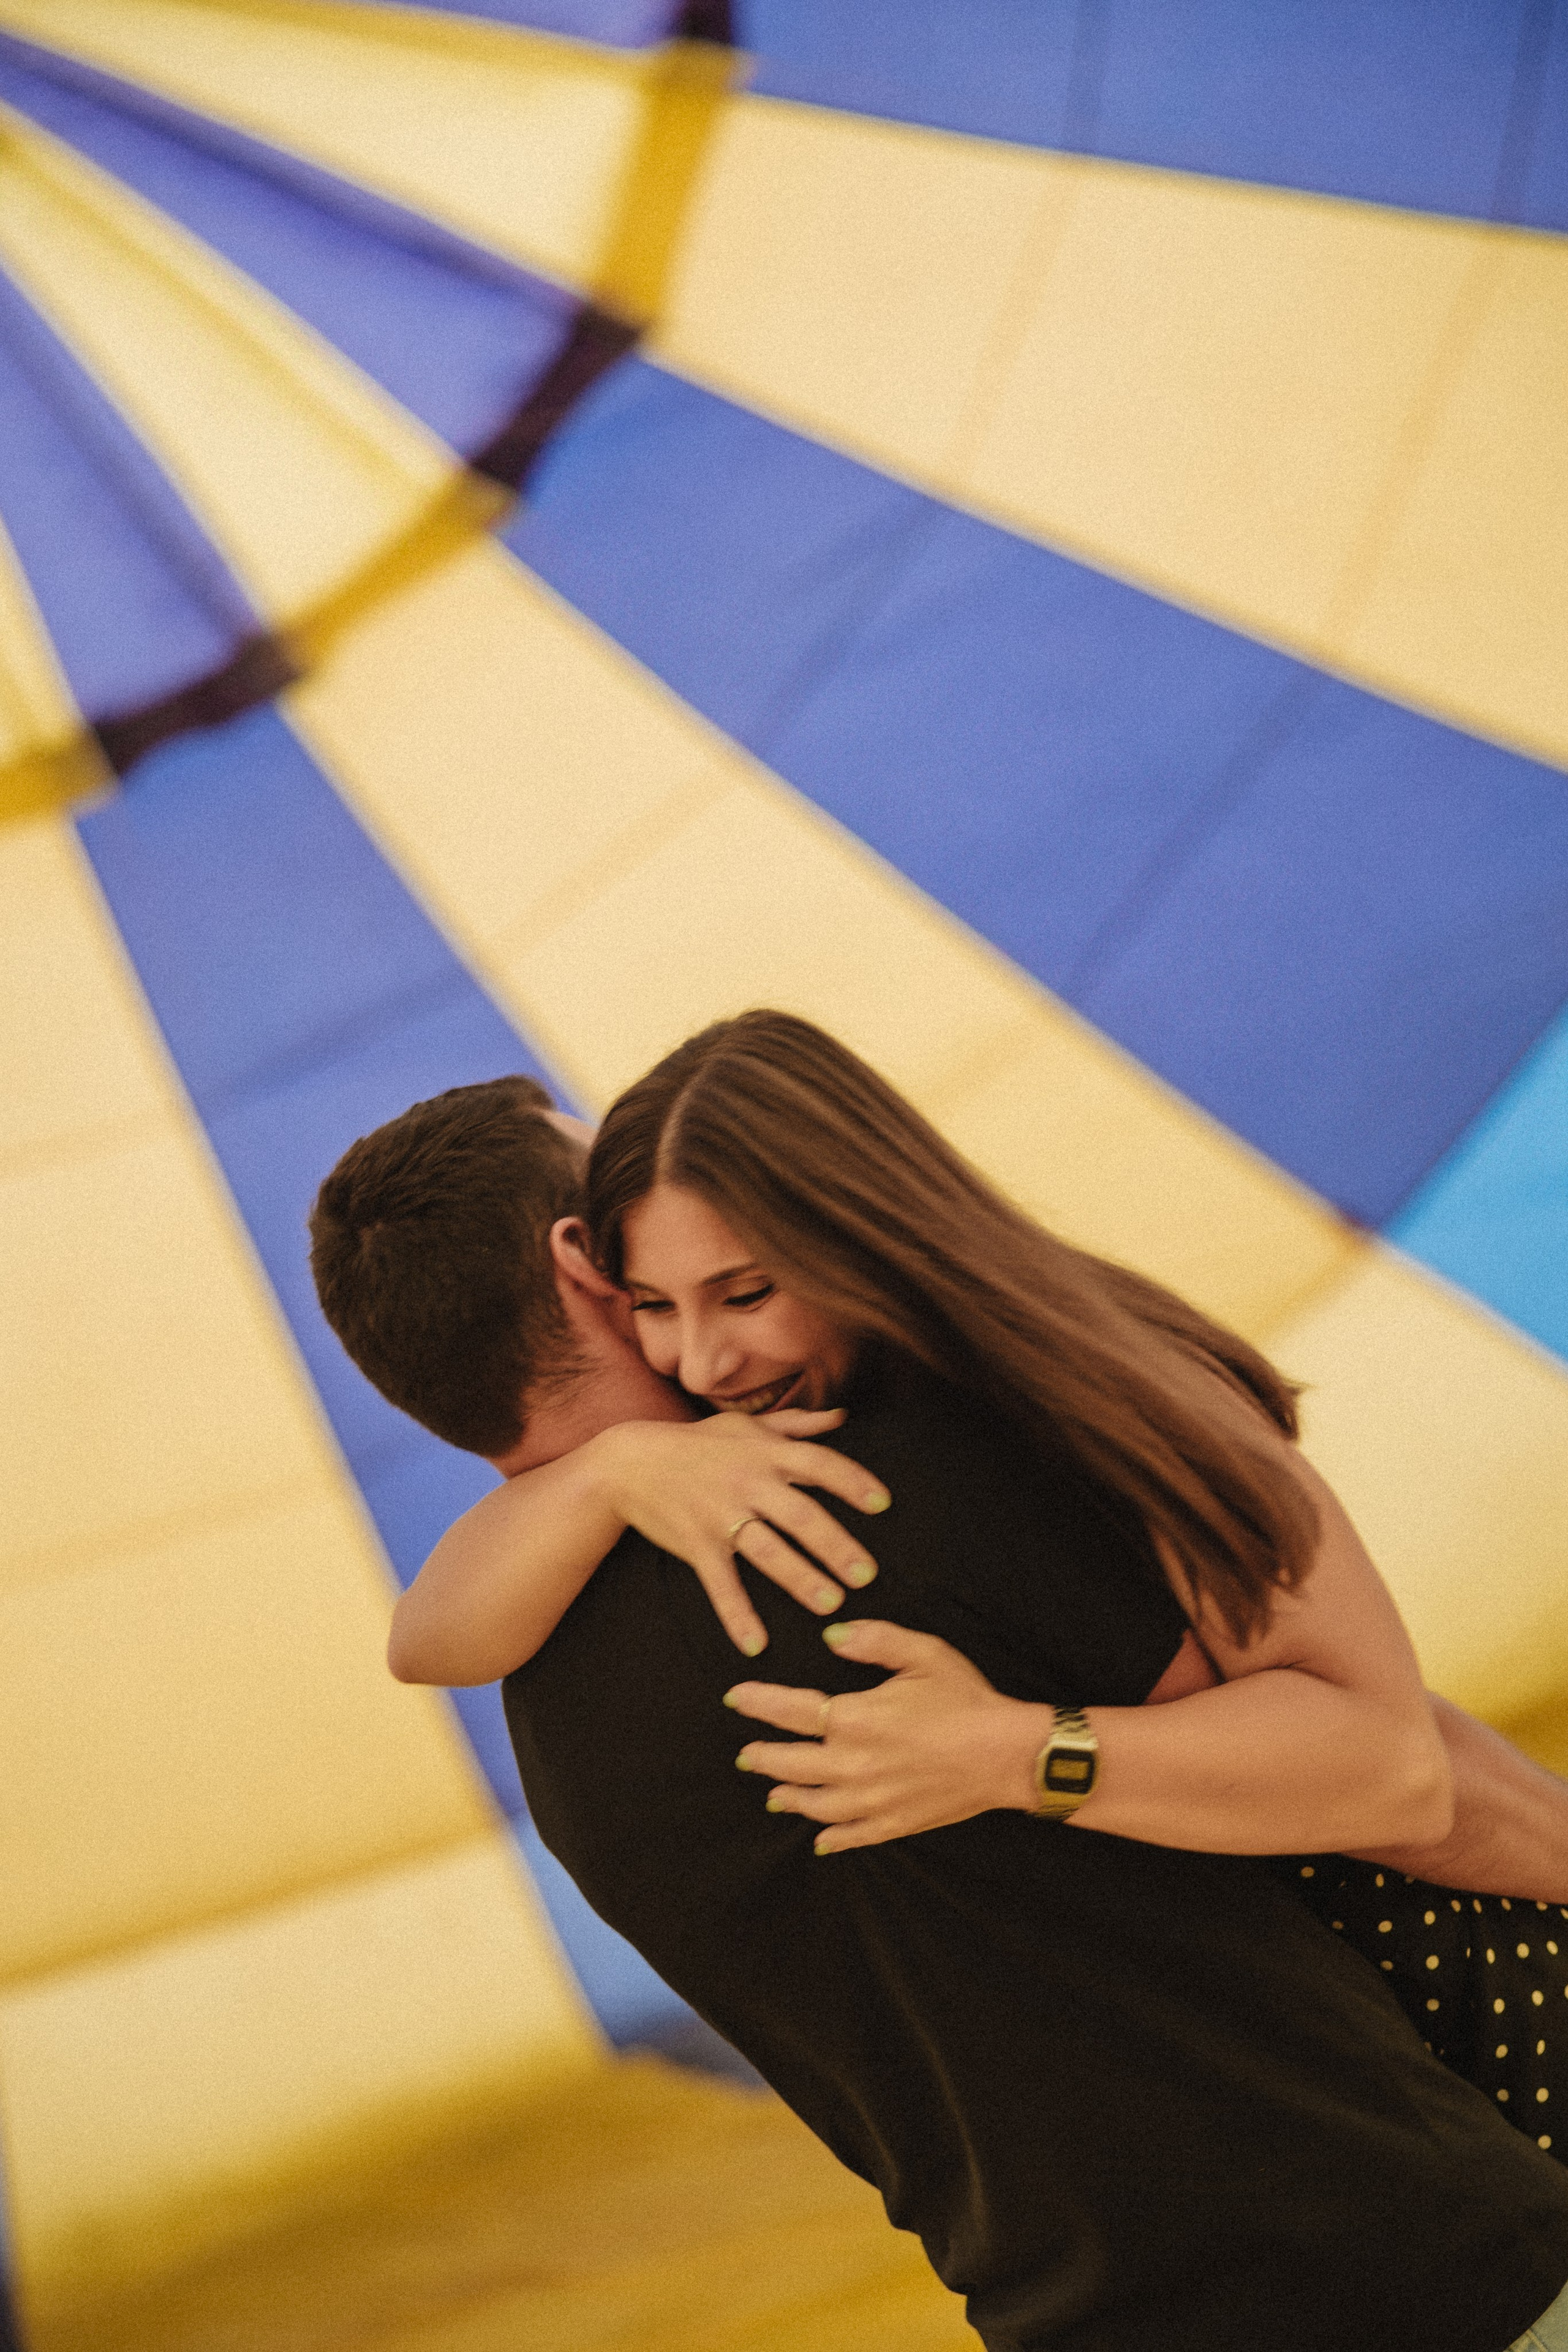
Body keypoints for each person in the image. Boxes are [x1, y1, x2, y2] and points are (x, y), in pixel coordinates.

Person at [310, 1043, 1568, 2352]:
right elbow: (1403, 1784)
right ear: (586, 1262)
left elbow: (425, 1636)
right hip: (1417, 2257)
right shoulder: (901, 1492)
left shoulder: (550, 1731)